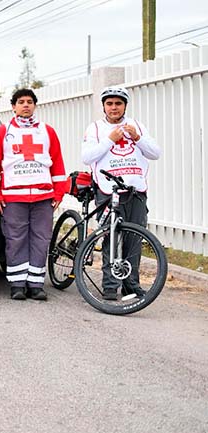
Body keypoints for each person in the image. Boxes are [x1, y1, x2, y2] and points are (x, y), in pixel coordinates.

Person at [0, 89, 67, 301]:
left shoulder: (47, 131)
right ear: (13, 106)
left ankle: (36, 284)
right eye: (21, 102)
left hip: (43, 197)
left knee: (41, 239)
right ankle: (17, 284)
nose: (25, 105)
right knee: (15, 240)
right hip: (13, 197)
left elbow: (57, 162)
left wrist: (59, 192)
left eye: (30, 102)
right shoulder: (2, 132)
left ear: (35, 106)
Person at [81, 86, 161, 300]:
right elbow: (87, 157)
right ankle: (109, 285)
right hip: (109, 190)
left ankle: (131, 285)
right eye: (109, 103)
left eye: (118, 103)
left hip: (135, 191)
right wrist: (109, 139)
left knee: (134, 239)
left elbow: (155, 153)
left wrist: (137, 138)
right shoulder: (96, 128)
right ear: (104, 106)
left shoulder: (137, 126)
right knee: (111, 237)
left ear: (125, 105)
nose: (114, 107)